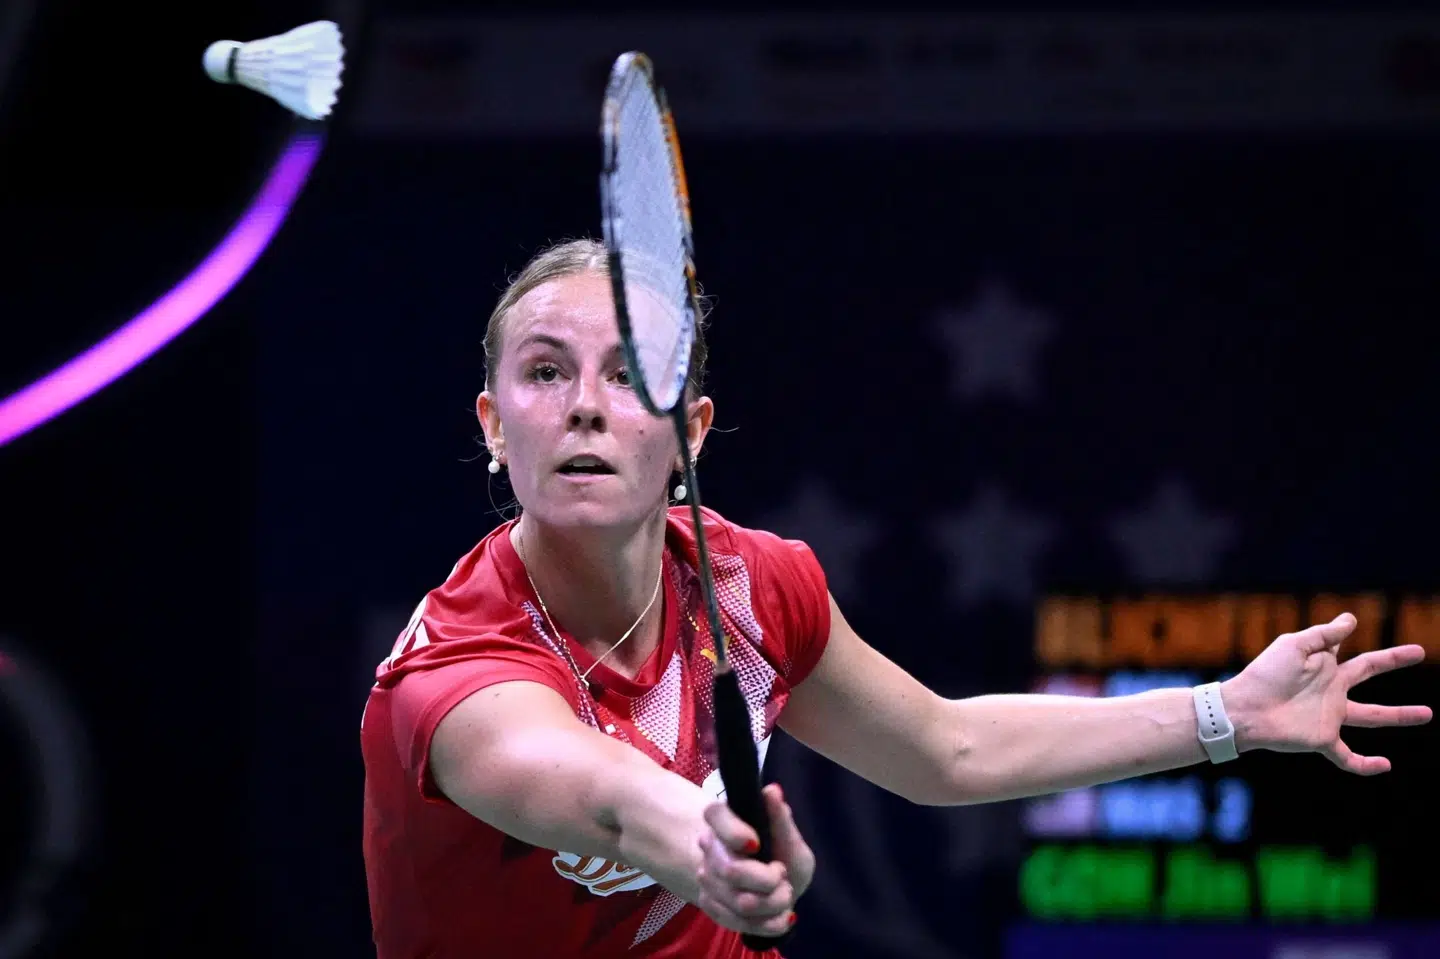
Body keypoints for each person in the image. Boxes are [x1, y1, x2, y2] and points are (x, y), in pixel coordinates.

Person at [360, 238, 1431, 959]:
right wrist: (711, 838)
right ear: (496, 426)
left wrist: (1229, 714)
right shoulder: (454, 673)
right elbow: (601, 794)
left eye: (629, 372)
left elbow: (945, 750)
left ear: (691, 429)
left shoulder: (755, 582)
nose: (587, 406)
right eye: (546, 372)